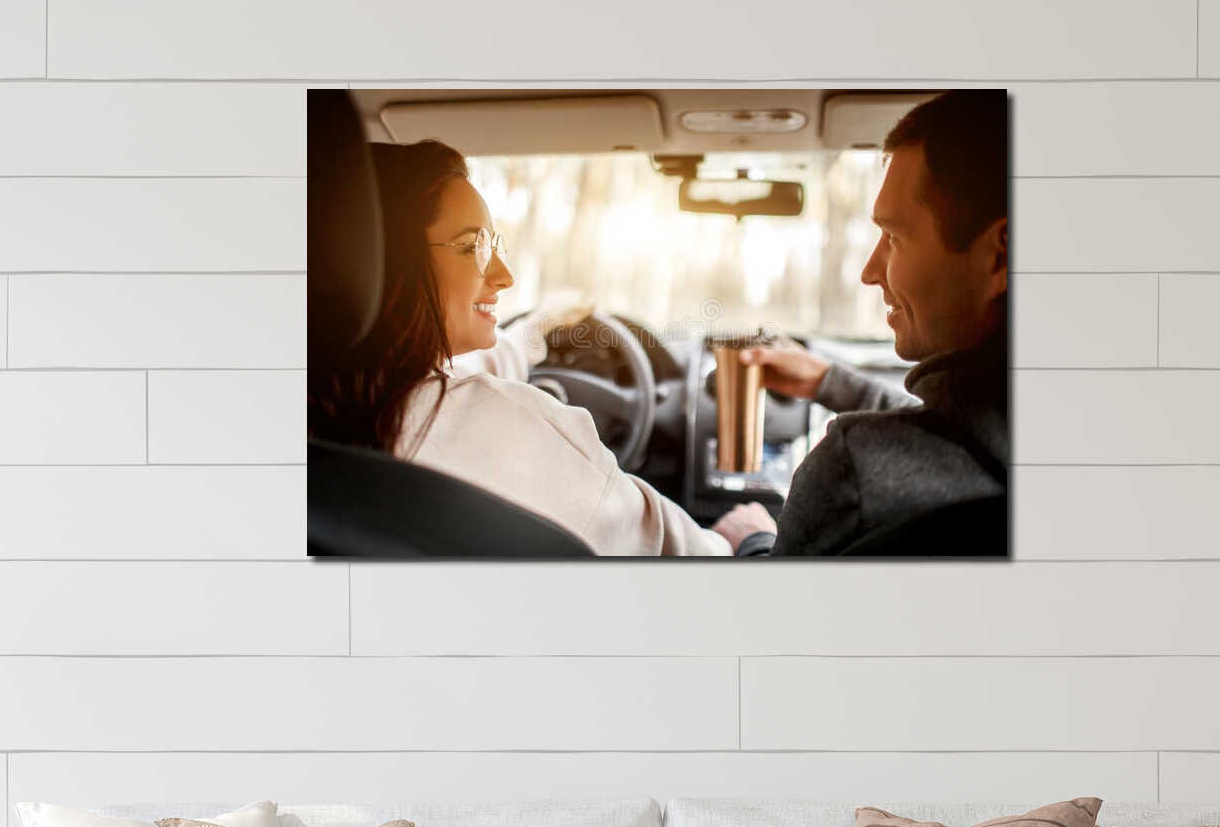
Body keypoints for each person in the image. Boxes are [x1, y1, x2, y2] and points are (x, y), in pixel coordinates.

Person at [310, 141, 730, 558]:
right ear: (385, 263)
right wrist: (744, 540)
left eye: (495, 246)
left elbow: (455, 380)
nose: (504, 275)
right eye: (471, 247)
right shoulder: (513, 426)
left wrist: (538, 330)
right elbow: (673, 552)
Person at [720, 90, 1008, 557]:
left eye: (894, 237)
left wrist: (753, 540)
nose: (870, 271)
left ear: (1000, 255)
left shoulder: (853, 471)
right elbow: (972, 432)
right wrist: (829, 381)